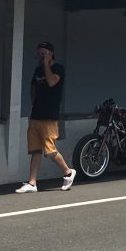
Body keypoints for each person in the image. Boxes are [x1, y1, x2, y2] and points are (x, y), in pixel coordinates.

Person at [15, 42, 76, 193]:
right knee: (35, 150)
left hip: (50, 116)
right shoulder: (37, 70)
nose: (41, 57)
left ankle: (68, 172)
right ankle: (32, 183)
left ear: (51, 54)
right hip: (36, 115)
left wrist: (47, 65)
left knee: (50, 150)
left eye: (44, 53)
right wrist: (34, 101)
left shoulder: (58, 68)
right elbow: (33, 87)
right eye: (39, 54)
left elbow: (51, 82)